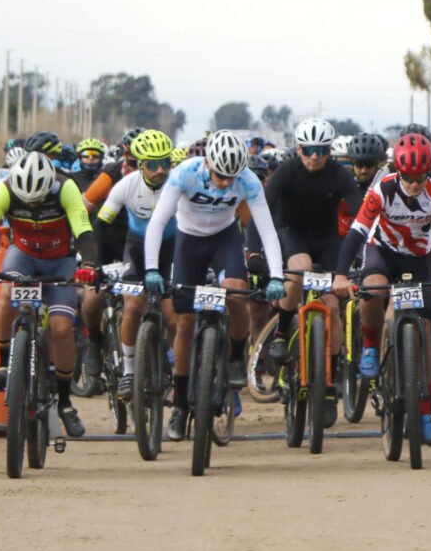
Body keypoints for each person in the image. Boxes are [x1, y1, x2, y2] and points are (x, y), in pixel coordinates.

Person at [332, 133, 431, 445]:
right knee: (373, 288)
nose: (414, 184)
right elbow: (357, 233)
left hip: (420, 258)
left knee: (424, 324)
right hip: (382, 252)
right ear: (398, 171)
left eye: (420, 178)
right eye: (408, 178)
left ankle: (424, 413)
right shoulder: (382, 189)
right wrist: (341, 275)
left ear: (429, 173)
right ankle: (371, 345)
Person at [144, 130, 285, 441]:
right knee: (184, 322)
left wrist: (276, 275)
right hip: (188, 242)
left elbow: (267, 230)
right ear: (208, 163)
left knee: (236, 294)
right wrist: (152, 269)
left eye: (230, 177)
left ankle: (236, 357)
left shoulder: (247, 180)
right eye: (220, 175)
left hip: (224, 240)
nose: (224, 183)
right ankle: (181, 405)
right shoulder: (184, 174)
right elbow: (157, 222)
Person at [0, 151, 99, 437]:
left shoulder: (66, 187)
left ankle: (66, 402)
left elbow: (84, 229)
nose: (32, 204)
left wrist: (90, 264)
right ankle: (6, 364)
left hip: (60, 260)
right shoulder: (5, 190)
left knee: (61, 330)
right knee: (7, 297)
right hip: (22, 256)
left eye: (38, 199)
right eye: (27, 200)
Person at [250, 118, 362, 428]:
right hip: (292, 233)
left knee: (332, 304)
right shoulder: (287, 171)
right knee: (298, 269)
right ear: (298, 149)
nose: (314, 156)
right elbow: (262, 210)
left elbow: (362, 213)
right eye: (308, 150)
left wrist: (367, 248)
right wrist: (254, 251)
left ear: (329, 151)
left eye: (321, 150)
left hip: (327, 240)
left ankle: (330, 380)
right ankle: (284, 332)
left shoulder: (340, 174)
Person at [95, 130, 179, 401]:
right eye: (153, 164)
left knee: (174, 315)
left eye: (166, 162)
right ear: (140, 164)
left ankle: (180, 373)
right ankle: (129, 372)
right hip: (137, 249)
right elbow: (101, 223)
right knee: (132, 306)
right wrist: (93, 263)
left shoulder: (178, 185)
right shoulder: (126, 185)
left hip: (171, 251)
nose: (161, 170)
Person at [79, 127, 144, 381]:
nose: (136, 168)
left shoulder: (160, 177)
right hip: (106, 240)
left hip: (137, 242)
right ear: (123, 157)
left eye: (142, 163)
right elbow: (83, 209)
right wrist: (82, 247)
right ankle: (94, 341)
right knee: (94, 296)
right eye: (131, 162)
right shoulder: (111, 174)